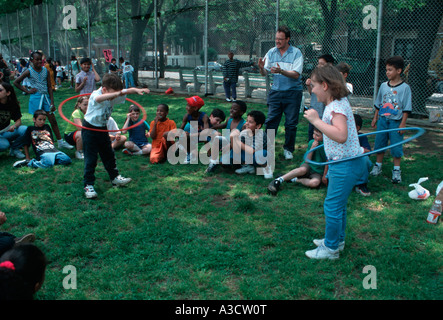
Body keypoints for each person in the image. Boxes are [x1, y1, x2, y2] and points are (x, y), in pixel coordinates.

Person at [303, 64, 367, 260]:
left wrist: (315, 121)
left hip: (345, 164)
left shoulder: (336, 107)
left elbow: (341, 135)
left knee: (331, 206)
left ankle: (330, 249)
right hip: (346, 162)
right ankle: (337, 240)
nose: (312, 90)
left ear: (324, 85)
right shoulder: (339, 102)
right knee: (339, 206)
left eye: (313, 86)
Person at [82, 73, 150, 199]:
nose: (115, 97)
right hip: (90, 129)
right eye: (113, 93)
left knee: (109, 154)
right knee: (91, 158)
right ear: (104, 90)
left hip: (102, 128)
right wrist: (117, 93)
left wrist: (136, 90)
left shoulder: (113, 93)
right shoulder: (95, 95)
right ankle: (88, 185)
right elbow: (99, 99)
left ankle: (114, 178)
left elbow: (125, 91)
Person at [258, 25, 304, 161]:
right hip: (276, 92)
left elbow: (296, 74)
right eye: (276, 39)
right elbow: (264, 73)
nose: (277, 42)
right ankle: (267, 149)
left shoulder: (296, 53)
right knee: (271, 121)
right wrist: (261, 68)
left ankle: (288, 149)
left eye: (280, 39)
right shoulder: (271, 52)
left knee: (290, 123)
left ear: (288, 39)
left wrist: (281, 71)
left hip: (293, 93)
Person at [13, 50, 72, 150]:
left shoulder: (45, 70)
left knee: (52, 120)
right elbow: (16, 82)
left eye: (41, 59)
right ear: (32, 60)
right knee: (38, 122)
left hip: (46, 98)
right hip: (36, 98)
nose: (39, 61)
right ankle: (39, 143)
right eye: (37, 59)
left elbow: (49, 86)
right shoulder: (29, 71)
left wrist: (52, 101)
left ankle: (60, 141)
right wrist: (27, 91)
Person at [370, 56, 411, 184]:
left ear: (399, 71)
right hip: (383, 120)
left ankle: (397, 170)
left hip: (396, 122)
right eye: (386, 70)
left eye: (390, 70)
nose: (387, 72)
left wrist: (402, 123)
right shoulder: (383, 86)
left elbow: (406, 108)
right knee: (380, 143)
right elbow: (378, 103)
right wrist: (375, 117)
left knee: (395, 146)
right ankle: (378, 166)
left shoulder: (405, 88)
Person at [267, 127, 327, 196]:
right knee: (302, 169)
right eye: (314, 134)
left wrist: (324, 175)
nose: (314, 136)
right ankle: (278, 180)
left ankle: (293, 179)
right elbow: (307, 160)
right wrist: (312, 148)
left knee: (315, 183)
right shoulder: (312, 143)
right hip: (309, 166)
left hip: (318, 171)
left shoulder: (328, 146)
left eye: (317, 135)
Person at [226, 110, 272, 178]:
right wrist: (232, 138)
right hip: (251, 156)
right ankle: (248, 166)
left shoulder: (261, 135)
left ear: (258, 126)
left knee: (260, 154)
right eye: (247, 120)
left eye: (250, 122)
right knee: (233, 151)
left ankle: (266, 168)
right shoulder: (245, 132)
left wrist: (236, 141)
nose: (246, 123)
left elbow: (252, 150)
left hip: (262, 156)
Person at [205, 101, 247, 173]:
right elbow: (223, 125)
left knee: (224, 165)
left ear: (241, 112)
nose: (231, 110)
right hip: (227, 143)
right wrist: (212, 127)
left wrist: (229, 146)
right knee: (217, 138)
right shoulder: (229, 119)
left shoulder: (243, 125)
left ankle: (239, 164)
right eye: (231, 108)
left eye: (235, 109)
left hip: (235, 147)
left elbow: (241, 141)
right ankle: (213, 162)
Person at [305, 54, 335, 141]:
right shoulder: (316, 76)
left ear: (330, 65)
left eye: (322, 64)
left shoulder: (331, 79)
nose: (318, 66)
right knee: (312, 136)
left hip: (324, 114)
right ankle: (311, 152)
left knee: (324, 137)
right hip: (314, 111)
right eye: (318, 64)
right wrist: (309, 86)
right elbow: (313, 94)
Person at [0, 82, 27, 159]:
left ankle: (15, 148)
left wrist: (14, 126)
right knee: (5, 145)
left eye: (0, 90)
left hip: (5, 132)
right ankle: (8, 143)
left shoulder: (13, 104)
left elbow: (19, 121)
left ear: (8, 93)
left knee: (24, 129)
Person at [178, 95, 209, 164]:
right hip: (196, 134)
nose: (186, 108)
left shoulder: (204, 116)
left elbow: (206, 132)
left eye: (189, 106)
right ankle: (190, 154)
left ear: (195, 108)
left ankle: (210, 156)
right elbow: (181, 129)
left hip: (207, 135)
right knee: (184, 137)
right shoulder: (187, 116)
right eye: (187, 105)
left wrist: (191, 134)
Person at [353, 114, 372, 196]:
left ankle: (361, 184)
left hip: (356, 161)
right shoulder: (341, 135)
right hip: (344, 161)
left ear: (357, 128)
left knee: (365, 159)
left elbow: (368, 151)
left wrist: (358, 150)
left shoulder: (362, 137)